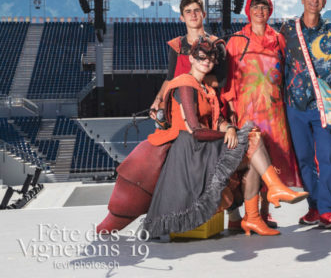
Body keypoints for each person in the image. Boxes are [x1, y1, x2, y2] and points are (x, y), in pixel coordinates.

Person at [98, 37, 308, 238]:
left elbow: (218, 120)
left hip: (203, 145)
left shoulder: (205, 88)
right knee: (252, 139)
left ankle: (253, 216)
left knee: (253, 155)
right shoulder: (185, 84)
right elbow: (195, 129)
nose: (207, 62)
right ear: (191, 58)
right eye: (201, 57)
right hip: (191, 152)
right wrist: (226, 134)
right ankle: (275, 187)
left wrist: (231, 128)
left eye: (210, 58)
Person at [222, 0, 303, 231]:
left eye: (264, 7)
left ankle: (264, 213)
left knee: (273, 161)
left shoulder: (279, 39)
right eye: (255, 7)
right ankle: (246, 216)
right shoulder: (236, 40)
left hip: (274, 112)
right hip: (246, 110)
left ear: (270, 10)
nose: (260, 11)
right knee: (249, 165)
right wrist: (231, 108)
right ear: (248, 11)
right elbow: (227, 79)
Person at [279, 0, 331, 229]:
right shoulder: (288, 28)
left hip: (323, 105)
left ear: (325, 2)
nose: (314, 0)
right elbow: (276, 62)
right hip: (294, 104)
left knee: (328, 157)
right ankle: (314, 208)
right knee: (304, 160)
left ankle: (328, 211)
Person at [149, 0, 226, 120]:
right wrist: (158, 100)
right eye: (188, 11)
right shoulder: (176, 46)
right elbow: (169, 79)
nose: (193, 15)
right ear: (182, 18)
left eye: (197, 10)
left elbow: (221, 81)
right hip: (179, 107)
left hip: (208, 108)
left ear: (204, 14)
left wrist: (188, 81)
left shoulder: (216, 44)